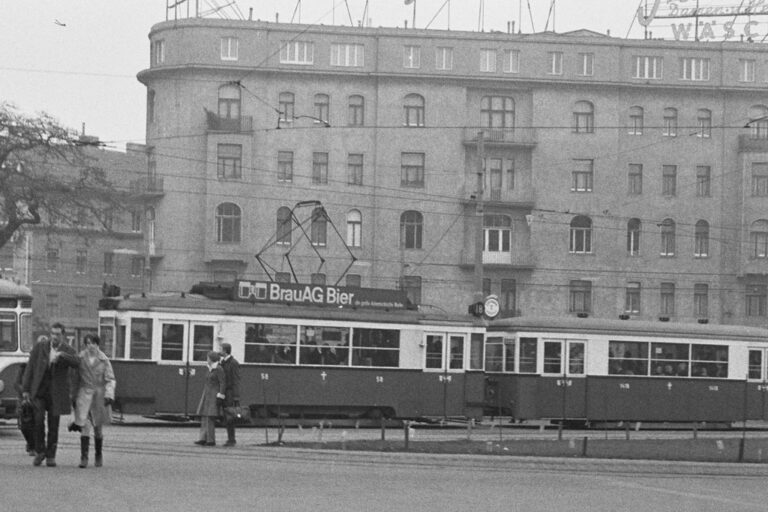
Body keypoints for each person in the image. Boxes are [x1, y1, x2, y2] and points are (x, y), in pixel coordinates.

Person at [21, 324, 79, 467]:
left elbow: (77, 362)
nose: (55, 336)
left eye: (58, 334)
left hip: (56, 394)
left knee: (54, 426)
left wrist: (62, 356)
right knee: (38, 421)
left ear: (63, 335)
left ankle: (51, 455)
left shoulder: (67, 350)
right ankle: (40, 451)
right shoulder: (40, 347)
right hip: (39, 392)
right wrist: (26, 390)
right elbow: (30, 368)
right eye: (53, 333)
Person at [68, 334, 116, 468]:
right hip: (84, 394)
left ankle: (98, 455)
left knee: (98, 428)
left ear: (97, 344)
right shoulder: (80, 358)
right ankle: (84, 457)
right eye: (88, 343)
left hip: (99, 396)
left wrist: (109, 394)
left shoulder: (104, 360)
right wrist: (73, 396)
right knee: (85, 426)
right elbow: (75, 378)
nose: (91, 346)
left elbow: (110, 378)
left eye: (93, 343)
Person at [195, 351, 225, 446]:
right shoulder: (209, 368)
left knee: (210, 418)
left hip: (213, 395)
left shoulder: (218, 369)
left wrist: (220, 395)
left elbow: (222, 383)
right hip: (207, 395)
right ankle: (203, 438)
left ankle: (211, 440)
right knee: (204, 417)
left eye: (208, 358)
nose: (207, 359)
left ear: (212, 359)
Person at [219, 342, 241, 447]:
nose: (220, 351)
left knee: (230, 416)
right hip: (225, 392)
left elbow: (236, 380)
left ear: (225, 351)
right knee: (226, 416)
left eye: (221, 349)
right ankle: (230, 438)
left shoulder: (233, 363)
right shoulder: (223, 362)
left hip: (230, 393)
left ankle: (231, 439)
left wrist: (236, 396)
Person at [14, 362, 35, 455]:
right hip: (23, 399)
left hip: (36, 398)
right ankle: (30, 443)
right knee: (24, 426)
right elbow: (17, 383)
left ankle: (33, 446)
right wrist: (24, 392)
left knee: (36, 423)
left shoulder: (38, 366)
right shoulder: (23, 366)